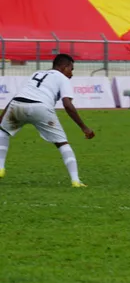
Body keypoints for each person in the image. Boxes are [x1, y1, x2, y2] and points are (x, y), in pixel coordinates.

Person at [0, 54, 95, 187]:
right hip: (41, 107)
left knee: (3, 132)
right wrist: (84, 127)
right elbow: (67, 104)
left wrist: (3, 116)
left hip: (18, 104)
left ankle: (0, 167)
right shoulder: (62, 78)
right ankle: (75, 180)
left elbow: (18, 95)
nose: (71, 74)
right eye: (71, 69)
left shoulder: (37, 73)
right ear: (63, 67)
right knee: (62, 143)